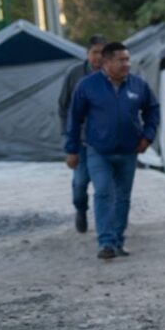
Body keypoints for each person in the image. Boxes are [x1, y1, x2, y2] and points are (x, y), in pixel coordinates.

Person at [65, 42, 160, 259]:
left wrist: (148, 136)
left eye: (128, 59)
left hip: (129, 152)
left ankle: (117, 239)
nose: (127, 64)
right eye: (121, 60)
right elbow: (74, 118)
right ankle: (105, 243)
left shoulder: (138, 85)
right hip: (98, 151)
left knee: (123, 197)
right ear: (106, 63)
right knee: (104, 192)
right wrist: (71, 149)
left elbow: (153, 110)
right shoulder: (87, 86)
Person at [58, 34, 106, 233]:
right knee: (80, 183)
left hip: (103, 141)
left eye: (102, 53)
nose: (98, 57)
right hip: (79, 139)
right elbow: (63, 106)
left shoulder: (111, 74)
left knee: (104, 186)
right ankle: (80, 209)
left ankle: (107, 227)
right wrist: (67, 138)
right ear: (87, 54)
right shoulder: (75, 74)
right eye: (95, 52)